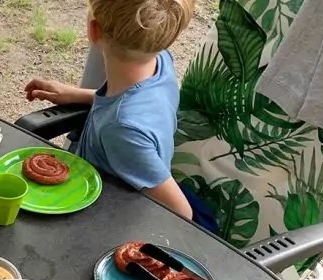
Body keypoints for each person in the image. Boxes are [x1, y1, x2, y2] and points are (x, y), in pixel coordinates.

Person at [24, 0, 198, 222]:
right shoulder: (160, 61)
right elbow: (133, 103)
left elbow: (182, 213)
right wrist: (81, 95)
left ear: (94, 30)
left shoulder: (123, 129)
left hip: (101, 221)